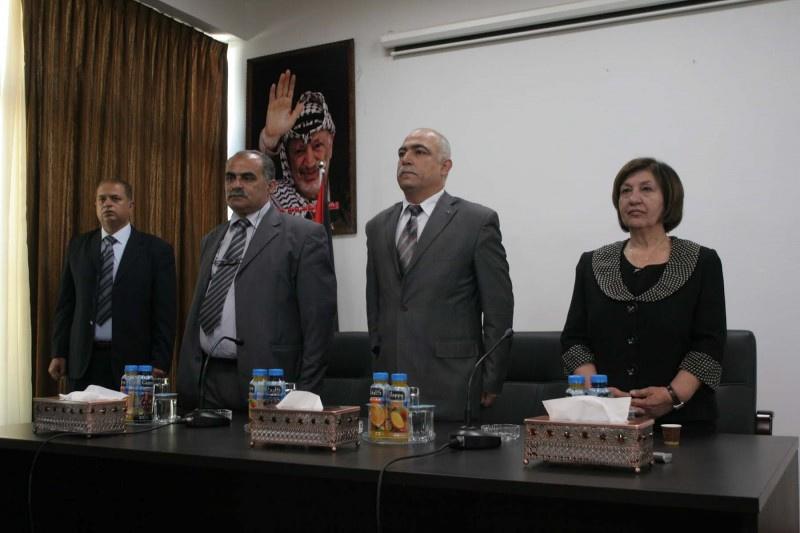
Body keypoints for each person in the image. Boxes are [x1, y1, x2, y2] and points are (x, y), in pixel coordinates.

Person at [561, 157, 726, 431]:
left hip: (682, 423)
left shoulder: (701, 262)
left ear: (669, 199)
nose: (633, 198)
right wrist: (599, 395)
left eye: (646, 189)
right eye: (625, 191)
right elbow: (574, 341)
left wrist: (672, 396)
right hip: (607, 422)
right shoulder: (593, 263)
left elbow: (709, 343)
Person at [365, 128, 514, 421]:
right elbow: (376, 304)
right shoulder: (378, 226)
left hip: (454, 382)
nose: (406, 159)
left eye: (419, 152)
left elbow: (498, 307)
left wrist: (492, 377)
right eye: (402, 152)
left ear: (445, 166)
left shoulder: (476, 222)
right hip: (391, 387)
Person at [177, 150, 337, 410]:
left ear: (271, 186)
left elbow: (318, 324)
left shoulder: (303, 236)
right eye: (230, 178)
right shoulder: (212, 239)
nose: (236, 185)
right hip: (205, 378)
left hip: (268, 382)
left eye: (247, 178)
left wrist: (306, 393)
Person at [50, 179, 177, 391]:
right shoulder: (79, 246)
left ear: (131, 206)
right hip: (83, 362)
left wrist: (160, 361)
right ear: (95, 205)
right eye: (102, 199)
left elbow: (165, 312)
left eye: (115, 199)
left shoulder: (156, 250)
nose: (107, 204)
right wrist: (59, 352)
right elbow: (66, 305)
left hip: (133, 365)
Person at [259, 69, 338, 221]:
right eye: (299, 151)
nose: (309, 162)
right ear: (287, 157)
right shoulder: (275, 199)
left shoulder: (348, 194)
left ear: (330, 144)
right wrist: (270, 138)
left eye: (317, 146)